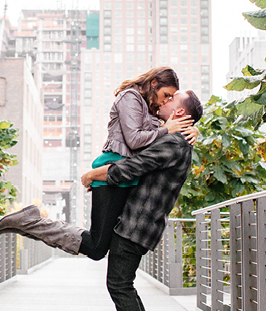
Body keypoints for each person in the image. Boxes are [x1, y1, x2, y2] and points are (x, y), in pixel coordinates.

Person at [0, 89, 203, 311]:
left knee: (119, 285)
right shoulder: (176, 139)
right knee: (124, 284)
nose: (164, 102)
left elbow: (133, 167)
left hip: (136, 225)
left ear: (179, 112)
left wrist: (93, 174)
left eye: (171, 100)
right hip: (141, 224)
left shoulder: (174, 143)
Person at [79, 66, 195, 260]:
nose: (166, 101)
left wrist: (192, 130)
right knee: (97, 247)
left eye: (170, 98)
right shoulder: (130, 97)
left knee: (101, 246)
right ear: (154, 83)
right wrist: (166, 129)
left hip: (126, 175)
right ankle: (37, 224)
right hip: (113, 168)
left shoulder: (151, 108)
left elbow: (158, 139)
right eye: (166, 95)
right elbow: (134, 140)